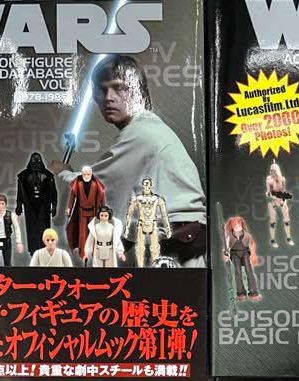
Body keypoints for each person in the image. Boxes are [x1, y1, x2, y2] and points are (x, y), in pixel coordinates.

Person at [55, 55, 207, 267]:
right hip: (170, 247)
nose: (108, 97)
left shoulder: (142, 132)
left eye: (119, 88)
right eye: (102, 89)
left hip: (174, 251)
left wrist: (61, 173)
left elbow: (96, 188)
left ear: (138, 91)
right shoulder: (144, 127)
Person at [16, 153, 56, 253]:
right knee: (31, 229)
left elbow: (53, 193)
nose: (36, 164)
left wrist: (54, 205)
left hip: (44, 207)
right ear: (31, 162)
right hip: (30, 207)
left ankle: (45, 249)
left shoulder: (48, 176)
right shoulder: (23, 177)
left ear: (41, 162)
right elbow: (20, 193)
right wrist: (19, 206)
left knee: (44, 228)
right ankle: (33, 250)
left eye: (38, 162)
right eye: (34, 162)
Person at [66, 165, 105, 257]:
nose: (86, 176)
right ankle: (83, 253)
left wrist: (104, 209)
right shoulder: (78, 184)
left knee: (93, 232)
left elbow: (102, 196)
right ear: (82, 174)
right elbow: (72, 197)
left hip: (93, 212)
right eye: (84, 174)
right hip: (81, 213)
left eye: (88, 174)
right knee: (82, 234)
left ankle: (94, 252)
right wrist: (69, 208)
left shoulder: (95, 184)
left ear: (91, 174)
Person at [223, 216, 260, 301]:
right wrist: (224, 254)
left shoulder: (247, 235)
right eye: (234, 223)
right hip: (235, 254)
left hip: (245, 253)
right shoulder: (229, 236)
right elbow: (225, 247)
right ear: (231, 225)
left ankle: (253, 292)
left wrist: (253, 254)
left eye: (238, 223)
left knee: (249, 271)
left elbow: (252, 245)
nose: (237, 225)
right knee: (238, 273)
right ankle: (240, 293)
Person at [265, 161, 293, 246]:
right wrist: (275, 196)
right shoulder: (269, 180)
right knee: (273, 222)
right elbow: (268, 193)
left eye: (275, 170)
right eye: (273, 171)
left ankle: (289, 238)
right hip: (273, 201)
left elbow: (284, 191)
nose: (274, 172)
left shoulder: (282, 179)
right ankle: (273, 240)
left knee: (287, 221)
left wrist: (285, 202)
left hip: (282, 200)